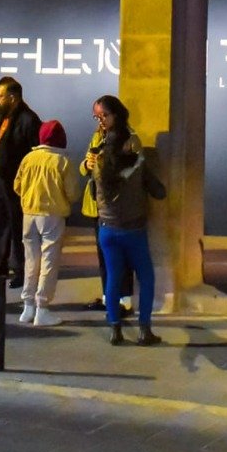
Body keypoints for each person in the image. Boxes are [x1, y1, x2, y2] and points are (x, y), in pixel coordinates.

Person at [89, 99, 165, 346]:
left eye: (103, 116)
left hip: (107, 228)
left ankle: (115, 329)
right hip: (133, 229)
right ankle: (144, 330)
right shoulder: (137, 161)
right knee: (146, 277)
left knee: (113, 278)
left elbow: (94, 193)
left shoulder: (99, 161)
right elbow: (158, 191)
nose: (100, 121)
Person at [13, 119, 83, 326]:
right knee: (49, 261)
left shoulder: (29, 158)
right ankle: (42, 308)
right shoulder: (62, 162)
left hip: (28, 214)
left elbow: (17, 186)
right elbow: (72, 193)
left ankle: (27, 306)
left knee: (31, 260)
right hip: (53, 216)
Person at [81, 96, 137, 315]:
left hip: (117, 206)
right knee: (103, 255)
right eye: (97, 116)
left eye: (104, 115)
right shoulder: (98, 136)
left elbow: (131, 172)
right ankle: (108, 297)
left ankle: (124, 301)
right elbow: (83, 168)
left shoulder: (129, 138)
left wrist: (106, 166)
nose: (101, 120)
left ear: (117, 114)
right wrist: (88, 164)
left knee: (120, 256)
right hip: (97, 204)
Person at [0, 76, 41, 286]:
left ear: (12, 97)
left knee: (19, 228)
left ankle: (21, 271)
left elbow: (34, 153)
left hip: (17, 182)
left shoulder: (29, 120)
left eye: (0, 96)